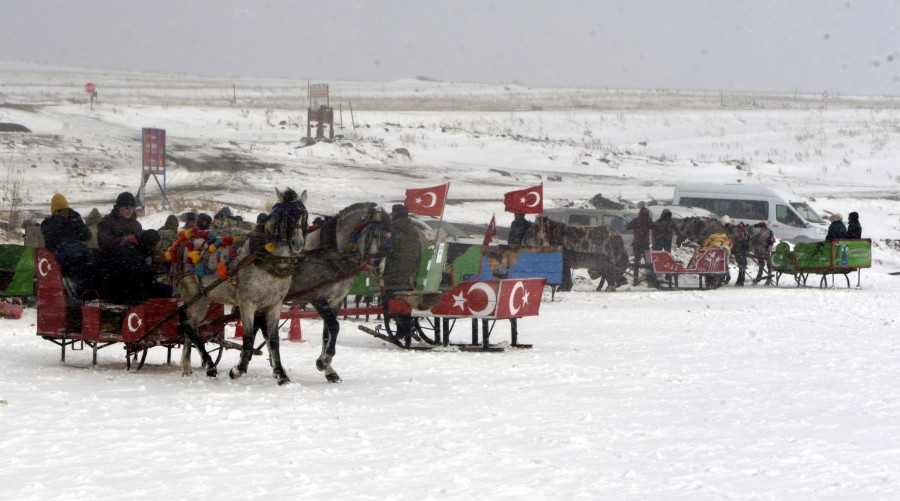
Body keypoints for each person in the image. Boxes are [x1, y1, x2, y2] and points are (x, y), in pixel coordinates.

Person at [382, 204, 423, 347]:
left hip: (394, 276)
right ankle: (405, 328)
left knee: (392, 305)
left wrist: (386, 239)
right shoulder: (414, 231)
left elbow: (388, 250)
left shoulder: (393, 231)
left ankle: (402, 331)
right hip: (410, 277)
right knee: (405, 305)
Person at [96, 192, 148, 304]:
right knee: (127, 255)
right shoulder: (107, 222)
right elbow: (104, 242)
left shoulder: (136, 224)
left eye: (132, 207)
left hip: (134, 258)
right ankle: (126, 296)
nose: (129, 210)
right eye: (126, 207)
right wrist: (123, 240)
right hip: (113, 259)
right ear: (118, 207)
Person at [40, 194, 92, 294]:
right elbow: (49, 237)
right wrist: (59, 220)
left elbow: (87, 236)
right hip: (56, 256)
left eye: (65, 210)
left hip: (76, 254)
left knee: (85, 263)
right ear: (54, 212)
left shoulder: (73, 220)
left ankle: (79, 290)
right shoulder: (48, 222)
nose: (63, 213)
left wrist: (78, 221)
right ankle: (71, 287)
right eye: (59, 211)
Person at [625, 207, 653, 285]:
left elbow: (627, 227)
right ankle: (650, 280)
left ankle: (635, 280)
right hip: (645, 245)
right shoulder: (648, 221)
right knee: (648, 263)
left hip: (637, 244)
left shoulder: (636, 221)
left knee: (636, 263)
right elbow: (654, 227)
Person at [724, 218, 751, 286]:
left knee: (740, 264)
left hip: (738, 248)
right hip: (743, 248)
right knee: (742, 264)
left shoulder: (730, 229)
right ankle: (741, 279)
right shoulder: (744, 230)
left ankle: (740, 279)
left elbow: (731, 239)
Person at [751, 221, 776, 286]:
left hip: (765, 249)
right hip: (758, 250)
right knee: (761, 264)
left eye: (761, 227)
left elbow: (772, 240)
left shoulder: (769, 232)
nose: (760, 228)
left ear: (763, 227)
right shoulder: (757, 231)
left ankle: (769, 278)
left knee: (768, 263)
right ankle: (759, 277)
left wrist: (770, 246)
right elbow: (754, 239)